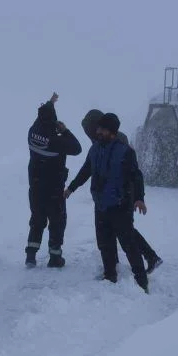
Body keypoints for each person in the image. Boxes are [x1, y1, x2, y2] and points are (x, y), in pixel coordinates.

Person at [65, 113, 150, 292]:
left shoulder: (125, 152)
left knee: (129, 245)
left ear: (112, 132)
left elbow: (136, 176)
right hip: (101, 205)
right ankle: (110, 275)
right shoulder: (95, 149)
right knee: (104, 244)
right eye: (98, 128)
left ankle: (142, 282)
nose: (98, 132)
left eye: (102, 129)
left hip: (120, 206)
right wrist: (71, 188)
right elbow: (85, 171)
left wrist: (139, 198)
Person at [80, 109, 162, 273]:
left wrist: (136, 196)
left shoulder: (117, 140)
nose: (92, 133)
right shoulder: (102, 139)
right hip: (111, 195)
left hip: (122, 194)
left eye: (91, 129)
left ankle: (149, 258)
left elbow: (130, 171)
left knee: (125, 231)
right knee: (121, 230)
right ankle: (117, 264)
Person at [25, 92, 82, 268]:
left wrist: (51, 102)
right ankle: (55, 257)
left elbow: (41, 118)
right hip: (54, 189)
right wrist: (65, 131)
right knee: (57, 222)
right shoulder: (57, 141)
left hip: (35, 186)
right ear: (53, 121)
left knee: (37, 219)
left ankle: (30, 256)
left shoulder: (32, 132)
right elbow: (77, 148)